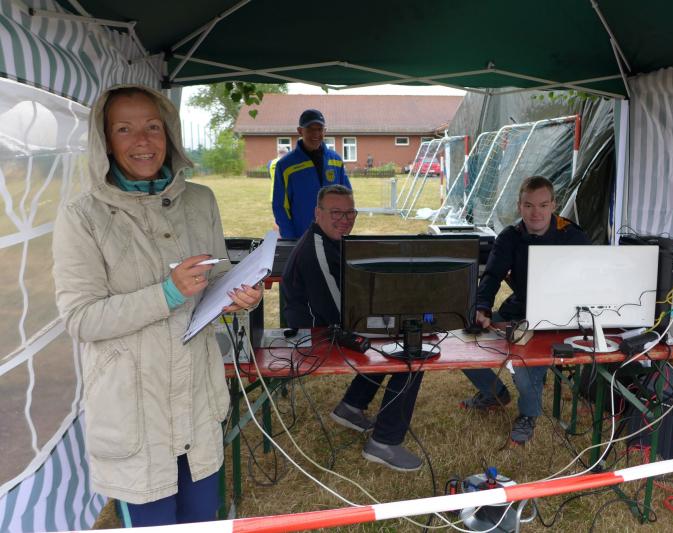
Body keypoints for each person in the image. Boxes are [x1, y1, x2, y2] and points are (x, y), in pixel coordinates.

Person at [52, 85, 261, 527]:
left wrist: (238, 294)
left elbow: (215, 277)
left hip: (197, 400)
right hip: (136, 412)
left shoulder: (200, 200)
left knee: (202, 520)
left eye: (152, 126)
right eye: (124, 129)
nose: (142, 140)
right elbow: (81, 318)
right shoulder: (82, 215)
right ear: (105, 141)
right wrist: (166, 294)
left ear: (168, 133)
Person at [281, 185, 425, 471]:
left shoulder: (330, 239)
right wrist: (390, 318)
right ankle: (384, 442)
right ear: (318, 213)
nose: (344, 219)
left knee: (393, 335)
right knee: (412, 350)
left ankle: (351, 407)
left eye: (350, 213)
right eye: (336, 213)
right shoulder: (316, 250)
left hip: (327, 326)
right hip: (314, 337)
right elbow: (342, 313)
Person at [460, 176, 590, 445]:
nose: (536, 213)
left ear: (554, 205)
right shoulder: (510, 237)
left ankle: (528, 414)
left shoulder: (573, 236)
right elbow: (492, 276)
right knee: (463, 339)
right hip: (519, 309)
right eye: (529, 205)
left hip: (559, 317)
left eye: (543, 205)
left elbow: (591, 277)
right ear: (519, 206)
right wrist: (482, 308)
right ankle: (494, 392)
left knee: (523, 361)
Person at [272, 109, 351, 239]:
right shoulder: (286, 165)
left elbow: (347, 198)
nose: (316, 134)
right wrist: (290, 238)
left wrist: (344, 227)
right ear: (300, 131)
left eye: (319, 129)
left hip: (333, 235)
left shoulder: (336, 160)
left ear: (325, 131)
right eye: (310, 129)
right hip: (301, 236)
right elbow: (280, 206)